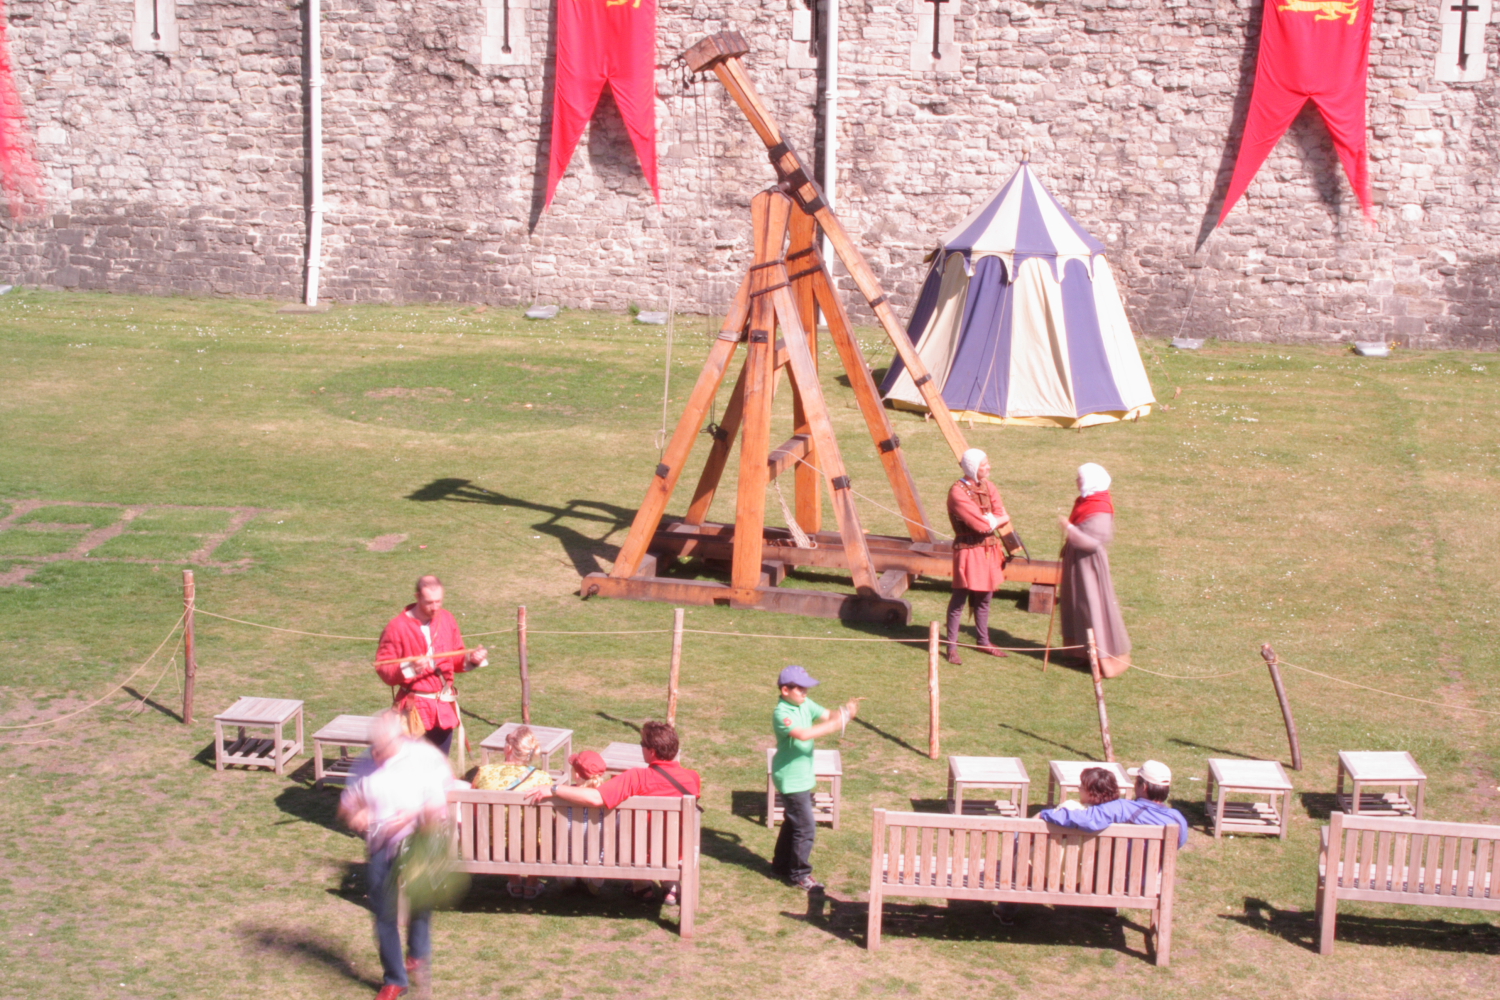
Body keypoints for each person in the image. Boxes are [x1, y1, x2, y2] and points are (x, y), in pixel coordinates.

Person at [338, 710, 455, 1000]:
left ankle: (417, 953)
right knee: (383, 911)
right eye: (373, 747)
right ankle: (395, 979)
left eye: (382, 748)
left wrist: (411, 814)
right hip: (380, 844)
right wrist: (357, 813)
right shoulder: (367, 762)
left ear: (397, 740)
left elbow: (439, 799)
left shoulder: (422, 759)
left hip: (418, 840)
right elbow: (348, 803)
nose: (376, 754)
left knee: (419, 900)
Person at [528, 721, 701, 905]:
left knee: (631, 834)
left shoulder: (636, 777)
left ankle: (641, 887)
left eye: (642, 744)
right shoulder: (693, 778)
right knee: (661, 837)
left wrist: (554, 789)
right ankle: (670, 886)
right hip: (678, 853)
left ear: (652, 751)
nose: (641, 748)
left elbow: (596, 798)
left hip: (640, 854)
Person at [375, 575, 488, 755]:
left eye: (438, 601)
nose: (435, 607)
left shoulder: (447, 619)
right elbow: (384, 669)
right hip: (414, 710)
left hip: (443, 710)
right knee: (412, 768)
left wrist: (472, 659)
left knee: (439, 766)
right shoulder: (397, 627)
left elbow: (455, 657)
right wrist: (409, 667)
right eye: (429, 602)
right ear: (417, 597)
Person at [770, 665, 858, 893]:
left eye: (807, 688)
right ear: (785, 690)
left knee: (793, 821)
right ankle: (800, 874)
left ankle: (781, 865)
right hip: (790, 778)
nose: (805, 693)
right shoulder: (782, 713)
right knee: (806, 826)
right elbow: (803, 734)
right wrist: (835, 725)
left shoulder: (804, 704)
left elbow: (829, 714)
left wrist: (846, 713)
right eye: (801, 689)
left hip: (802, 775)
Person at [1057, 462, 1131, 677]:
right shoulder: (1085, 500)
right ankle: (1079, 653)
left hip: (1089, 566)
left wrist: (1068, 529)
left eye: (1080, 478)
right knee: (1074, 605)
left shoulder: (1100, 507)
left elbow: (1094, 542)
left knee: (1091, 606)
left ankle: (1102, 658)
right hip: (1075, 562)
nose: (1076, 481)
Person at [946, 447, 1010, 664]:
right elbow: (981, 525)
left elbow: (1001, 513)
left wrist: (993, 520)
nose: (989, 467)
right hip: (968, 550)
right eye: (984, 465)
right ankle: (951, 646)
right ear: (974, 468)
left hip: (989, 550)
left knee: (985, 598)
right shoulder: (957, 492)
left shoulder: (988, 486)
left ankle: (983, 641)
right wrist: (993, 520)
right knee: (959, 598)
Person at [1037, 760, 1190, 849]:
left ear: (1143, 787)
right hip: (1147, 881)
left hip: (1114, 879)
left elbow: (1087, 819)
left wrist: (1046, 814)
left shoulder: (1123, 808)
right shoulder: (1178, 820)